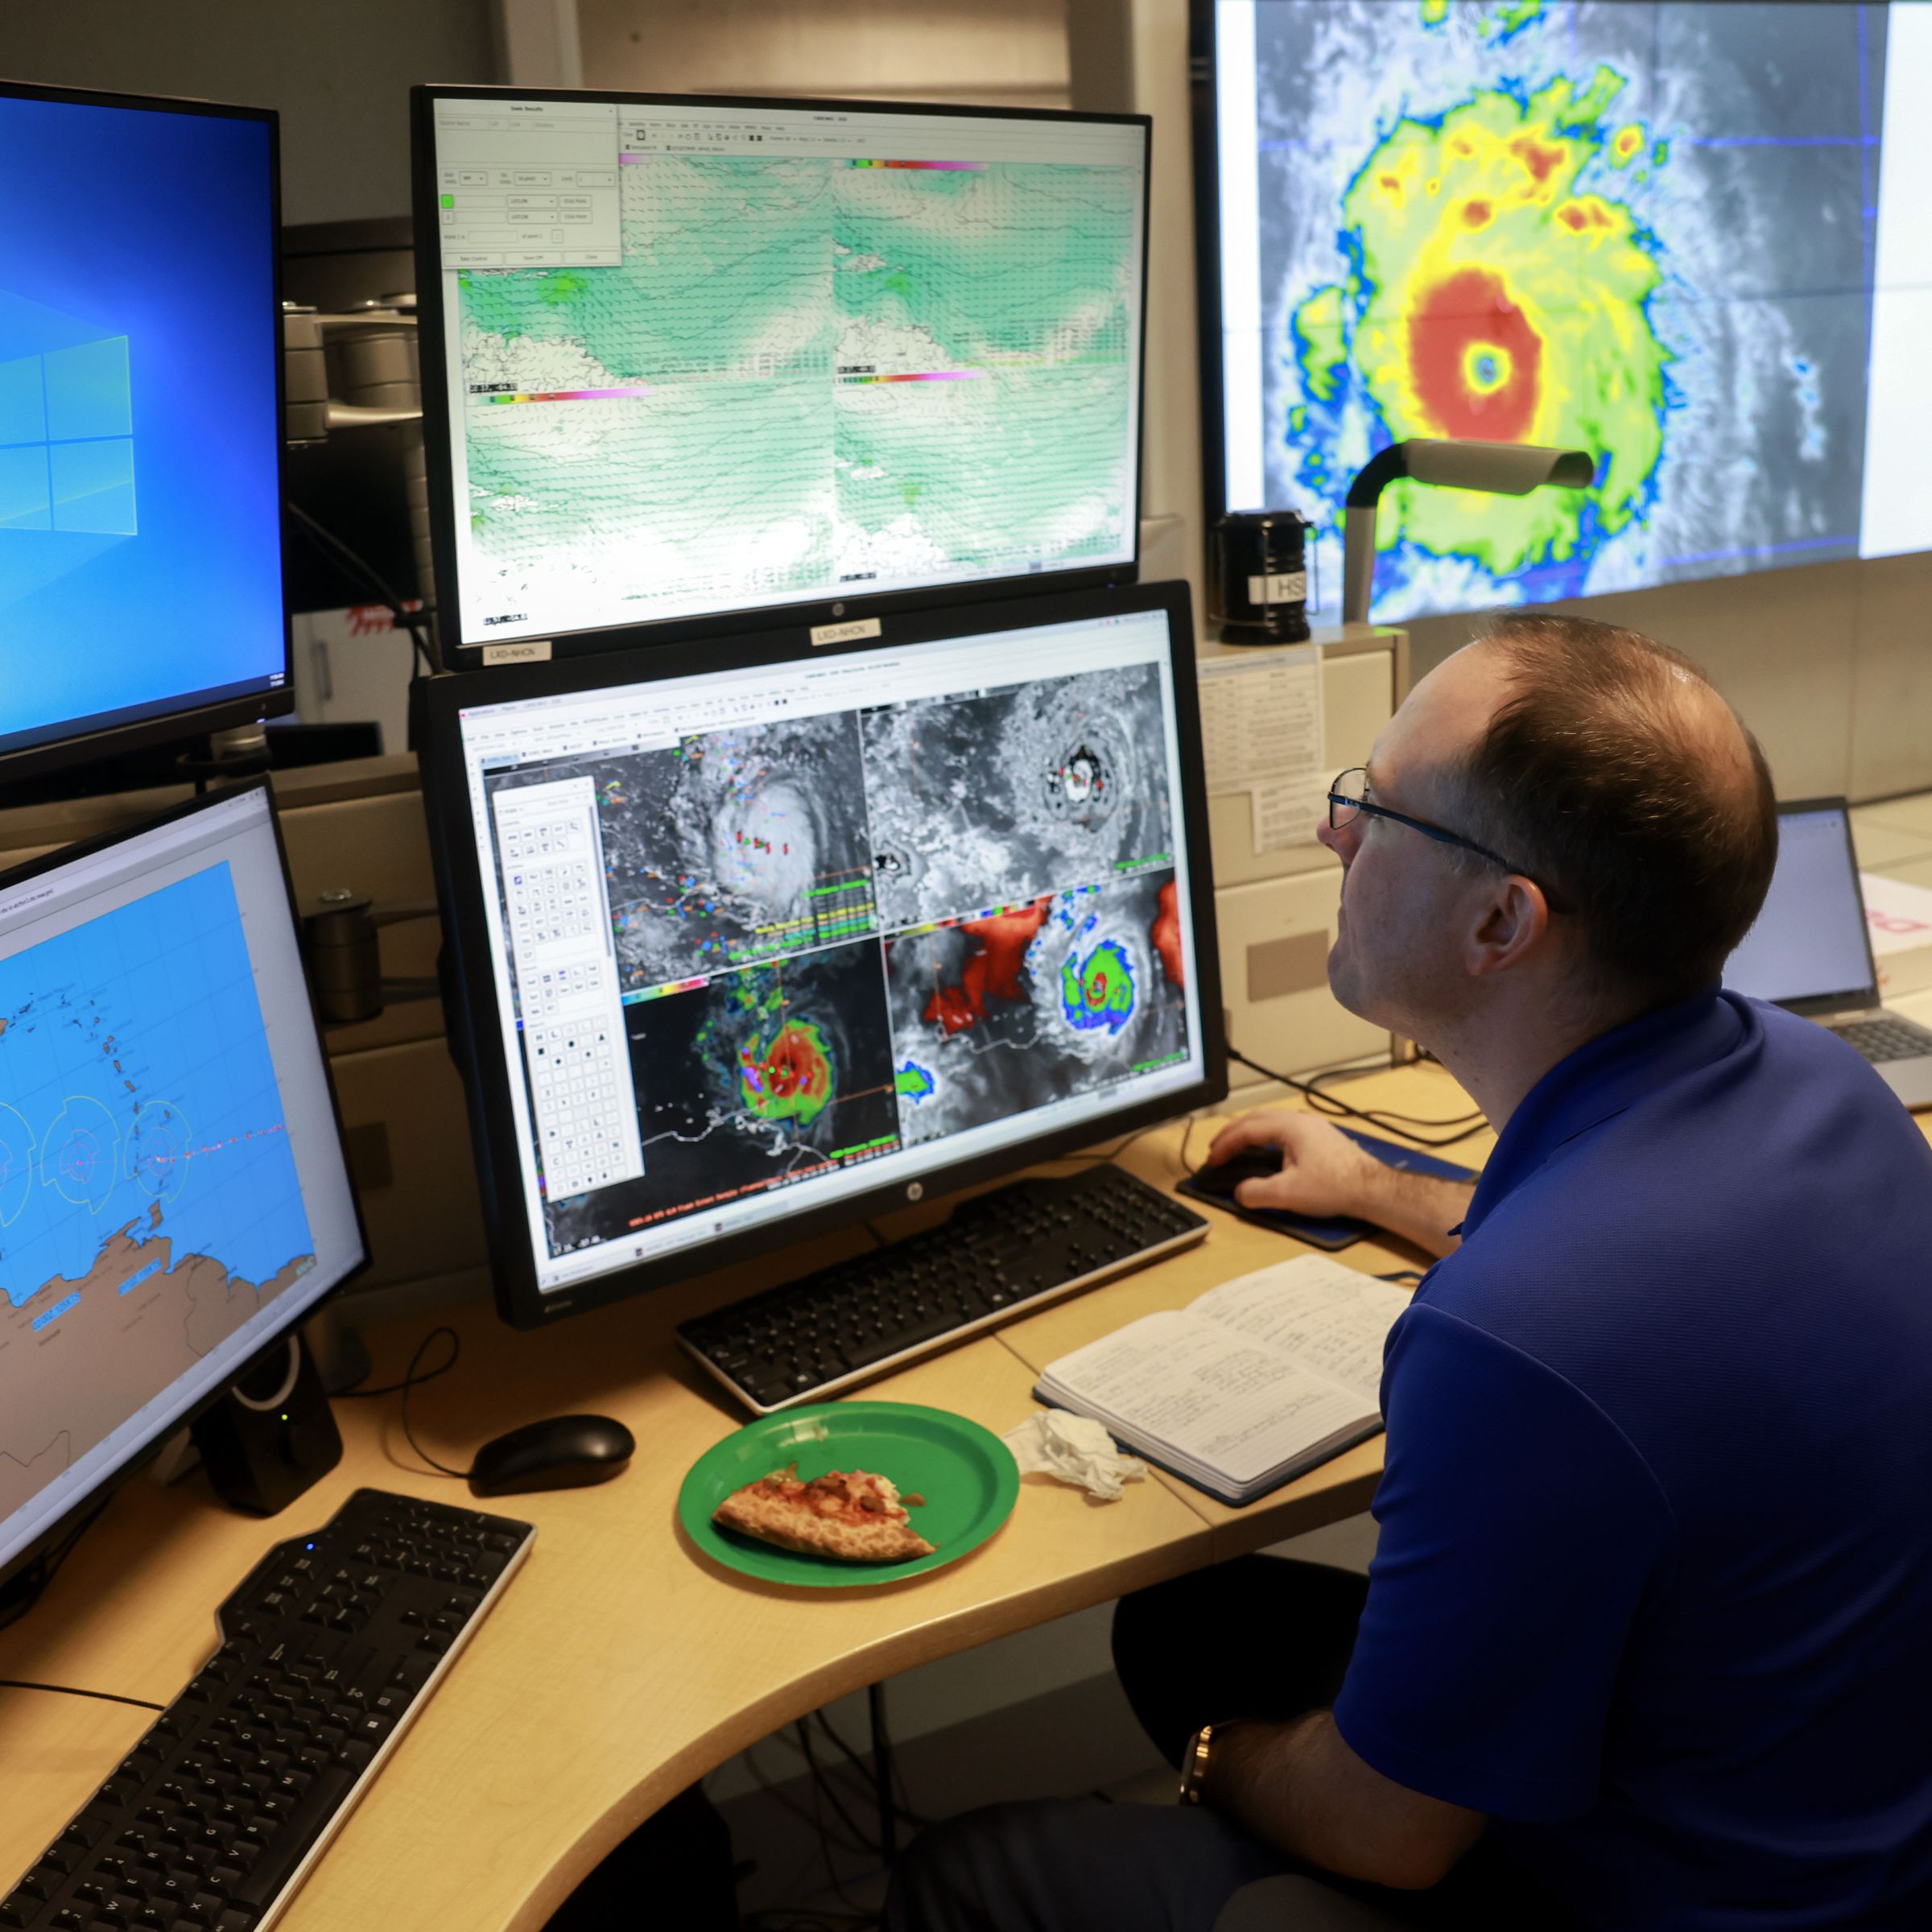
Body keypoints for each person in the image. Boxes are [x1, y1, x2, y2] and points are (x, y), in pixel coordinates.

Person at [884, 614, 1932, 1930]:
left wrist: (1220, 1765)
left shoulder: (1514, 1341)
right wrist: (1378, 1187)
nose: (1336, 839)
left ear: (1502, 921)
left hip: (1660, 1902)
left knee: (970, 1876)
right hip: (1839, 1825)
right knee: (1180, 1626)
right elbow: (1621, 1280)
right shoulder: (1829, 1087)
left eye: (1372, 810)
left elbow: (1394, 1835)